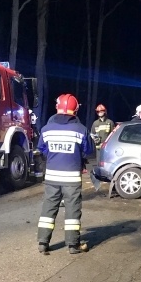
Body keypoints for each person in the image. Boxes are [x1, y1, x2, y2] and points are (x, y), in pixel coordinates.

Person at [37, 93, 94, 255]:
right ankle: (73, 245)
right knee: (72, 210)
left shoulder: (46, 129)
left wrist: (55, 156)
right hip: (71, 178)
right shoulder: (81, 130)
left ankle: (43, 242)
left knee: (48, 208)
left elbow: (42, 149)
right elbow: (88, 151)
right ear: (75, 110)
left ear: (57, 107)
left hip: (52, 177)